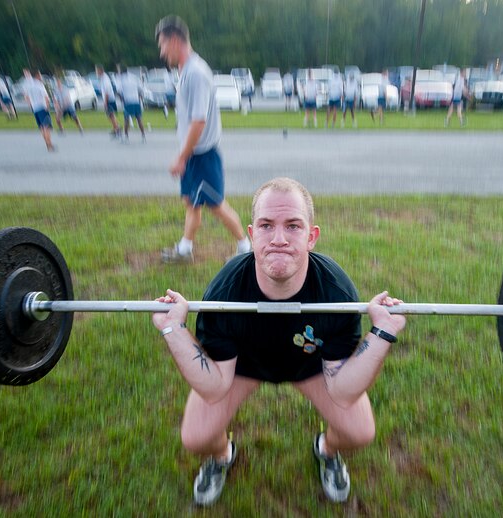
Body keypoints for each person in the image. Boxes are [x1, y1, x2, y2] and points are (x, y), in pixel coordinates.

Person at [151, 176, 406, 506]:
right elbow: (214, 387)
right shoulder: (224, 293)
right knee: (196, 438)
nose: (279, 238)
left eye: (294, 226)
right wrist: (173, 329)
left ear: (312, 236)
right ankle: (220, 455)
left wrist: (383, 332)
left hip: (309, 364)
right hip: (244, 365)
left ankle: (326, 451)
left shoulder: (336, 294)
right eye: (267, 226)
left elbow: (343, 392)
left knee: (359, 432)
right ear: (252, 234)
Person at [155, 15, 251, 264]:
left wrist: (181, 157)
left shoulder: (196, 73)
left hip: (202, 155)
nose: (162, 53)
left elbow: (199, 121)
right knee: (192, 202)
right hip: (194, 154)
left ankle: (246, 249)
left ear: (175, 41)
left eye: (163, 46)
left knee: (216, 204)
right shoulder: (187, 71)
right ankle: (185, 250)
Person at [21, 69, 55, 152]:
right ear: (36, 76)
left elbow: (26, 97)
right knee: (46, 127)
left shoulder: (30, 86)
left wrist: (31, 104)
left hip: (35, 109)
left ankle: (48, 145)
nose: (41, 76)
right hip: (42, 107)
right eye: (40, 75)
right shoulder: (40, 85)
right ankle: (50, 145)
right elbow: (46, 97)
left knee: (42, 128)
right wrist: (47, 107)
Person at [118, 66, 146, 142]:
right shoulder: (134, 78)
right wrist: (140, 98)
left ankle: (126, 136)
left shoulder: (121, 79)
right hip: (136, 101)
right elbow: (141, 90)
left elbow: (119, 91)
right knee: (139, 119)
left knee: (126, 119)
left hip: (128, 101)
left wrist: (122, 100)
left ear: (121, 71)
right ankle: (143, 135)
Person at [96, 65, 121, 138]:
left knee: (111, 115)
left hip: (109, 99)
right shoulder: (103, 78)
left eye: (97, 71)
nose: (97, 72)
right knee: (110, 116)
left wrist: (105, 102)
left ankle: (117, 129)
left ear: (101, 71)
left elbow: (107, 91)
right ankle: (116, 128)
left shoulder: (105, 79)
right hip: (109, 98)